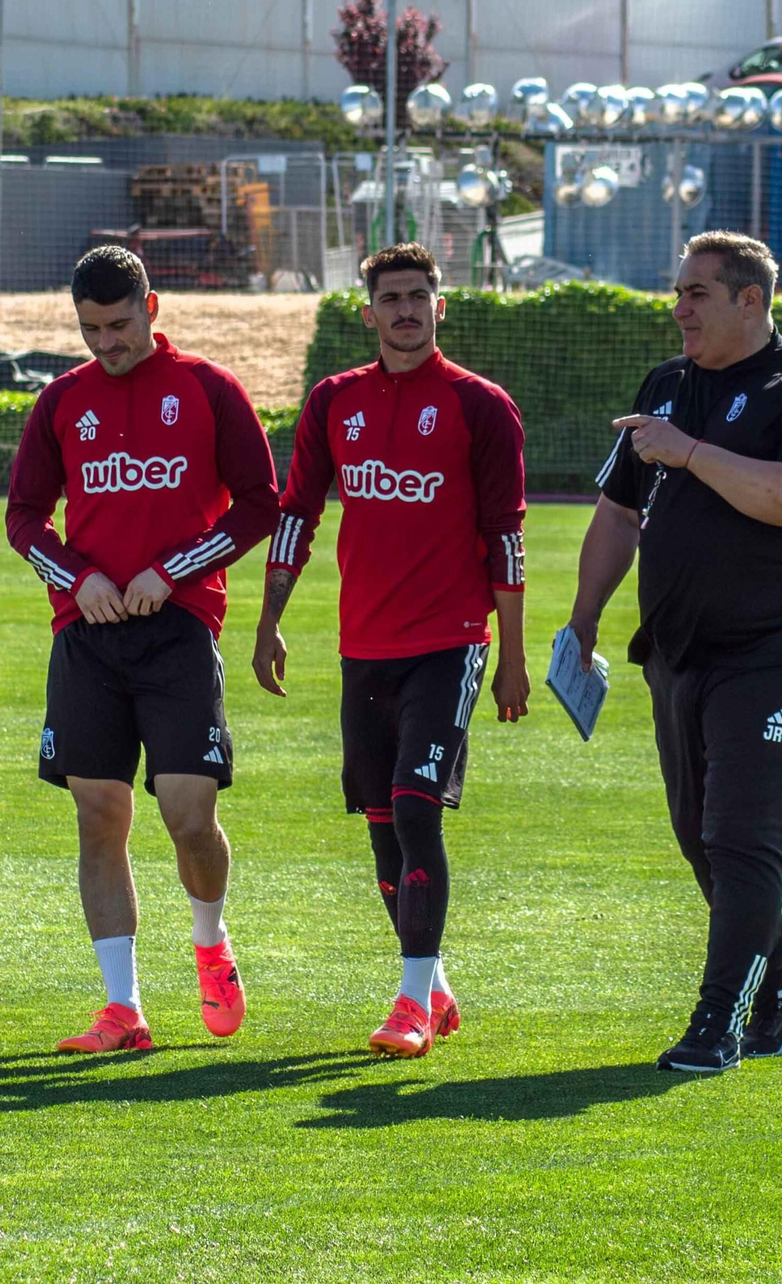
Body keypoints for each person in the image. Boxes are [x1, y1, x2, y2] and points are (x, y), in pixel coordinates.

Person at [566, 230, 782, 1074]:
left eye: (698, 292)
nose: (680, 307)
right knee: (699, 833)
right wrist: (585, 618)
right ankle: (781, 989)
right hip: (679, 645)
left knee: (741, 835)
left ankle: (718, 1023)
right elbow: (619, 513)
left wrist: (690, 453)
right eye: (679, 291)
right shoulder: (664, 386)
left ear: (750, 300)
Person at [252, 241, 528, 1059]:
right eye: (390, 298)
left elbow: (505, 535)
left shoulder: (482, 406)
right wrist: (270, 620)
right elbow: (296, 513)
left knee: (415, 806)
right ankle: (432, 986)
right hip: (362, 645)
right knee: (380, 823)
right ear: (367, 312)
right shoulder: (334, 401)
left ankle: (408, 1002)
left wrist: (509, 655)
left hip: (451, 641)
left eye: (419, 296)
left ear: (441, 307)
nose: (405, 310)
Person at [6, 245, 279, 1053]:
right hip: (87, 635)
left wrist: (174, 570)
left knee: (189, 815)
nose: (106, 343)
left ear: (151, 309)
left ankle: (209, 943)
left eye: (119, 325)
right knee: (100, 816)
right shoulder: (62, 401)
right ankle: (122, 1009)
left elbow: (261, 503)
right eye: (91, 329)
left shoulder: (207, 388)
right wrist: (77, 579)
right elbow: (24, 516)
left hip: (178, 630)